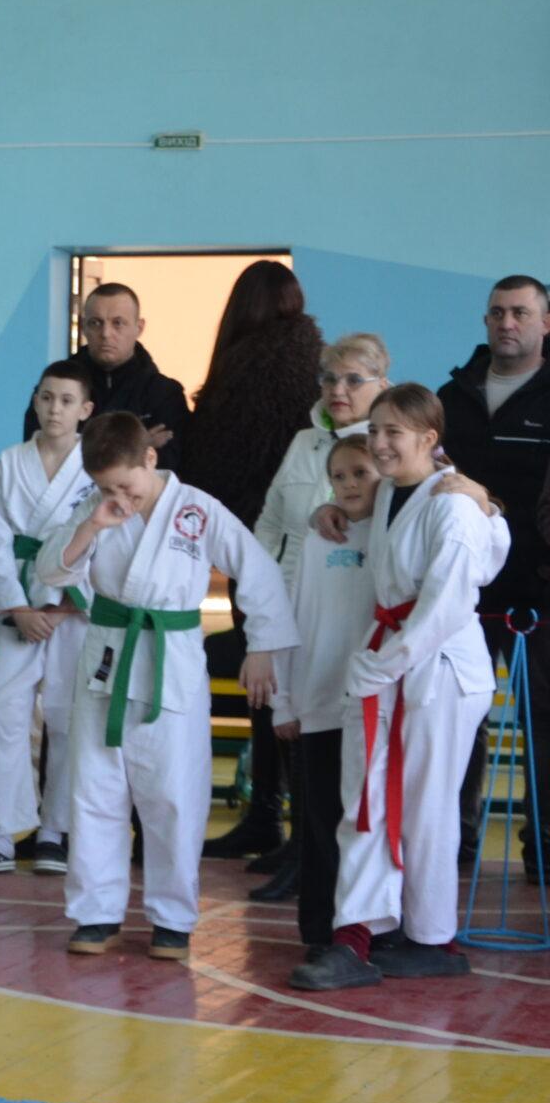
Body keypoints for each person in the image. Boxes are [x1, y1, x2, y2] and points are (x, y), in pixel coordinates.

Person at [35, 411, 294, 959]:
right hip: (106, 656)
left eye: (124, 485)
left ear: (150, 460)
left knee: (174, 793)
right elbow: (49, 573)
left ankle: (172, 916)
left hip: (171, 660)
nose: (118, 496)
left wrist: (262, 646)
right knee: (95, 789)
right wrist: (92, 526)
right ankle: (96, 912)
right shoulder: (97, 509)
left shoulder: (198, 510)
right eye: (105, 487)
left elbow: (259, 569)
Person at [301, 386, 509, 991]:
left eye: (396, 433)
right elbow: (370, 528)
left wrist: (389, 661)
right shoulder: (393, 490)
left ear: (429, 439)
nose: (382, 443)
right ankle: (356, 935)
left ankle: (432, 937)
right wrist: (329, 509)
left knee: (426, 805)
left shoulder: (454, 504)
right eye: (377, 431)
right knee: (367, 796)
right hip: (391, 655)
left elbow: (449, 600)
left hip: (438, 663)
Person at [165, 262, 325, 868]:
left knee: (270, 686)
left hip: (256, 545)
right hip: (304, 553)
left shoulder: (243, 373)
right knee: (290, 686)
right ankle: (282, 821)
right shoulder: (309, 368)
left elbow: (221, 464)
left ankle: (268, 816)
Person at [245, 332, 389, 901]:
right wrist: (257, 600)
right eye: (330, 379)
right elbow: (270, 524)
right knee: (291, 733)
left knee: (334, 750)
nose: (339, 390)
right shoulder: (305, 441)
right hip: (285, 608)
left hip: (347, 615)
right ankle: (300, 850)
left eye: (354, 379)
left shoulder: (387, 448)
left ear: (383, 384)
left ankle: (331, 867)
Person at [0, 360, 98, 877]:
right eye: (46, 397)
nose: (54, 408)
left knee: (65, 717)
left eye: (66, 400)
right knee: (5, 715)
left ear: (85, 410)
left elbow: (100, 540)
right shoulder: (11, 461)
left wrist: (58, 609)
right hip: (18, 605)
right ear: (35, 401)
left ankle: (55, 833)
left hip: (69, 612)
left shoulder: (95, 467)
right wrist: (17, 607)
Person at [442, 275, 550, 868]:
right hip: (464, 592)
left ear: (544, 324)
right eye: (497, 313)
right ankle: (453, 841)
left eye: (520, 313)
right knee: (460, 719)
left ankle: (543, 850)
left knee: (545, 727)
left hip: (538, 589)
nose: (507, 323)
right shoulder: (451, 397)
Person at [271, 436, 379, 960]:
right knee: (317, 823)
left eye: (361, 472)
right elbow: (296, 614)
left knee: (358, 822)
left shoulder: (391, 532)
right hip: (316, 703)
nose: (351, 484)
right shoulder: (318, 539)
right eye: (340, 476)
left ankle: (362, 926)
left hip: (368, 702)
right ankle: (319, 929)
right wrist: (284, 701)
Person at [25, 283, 189, 461]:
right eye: (96, 323)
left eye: (118, 323)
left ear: (139, 328)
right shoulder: (53, 389)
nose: (105, 333)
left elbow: (166, 469)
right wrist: (138, 446)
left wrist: (79, 450)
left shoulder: (164, 394)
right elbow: (41, 458)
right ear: (83, 326)